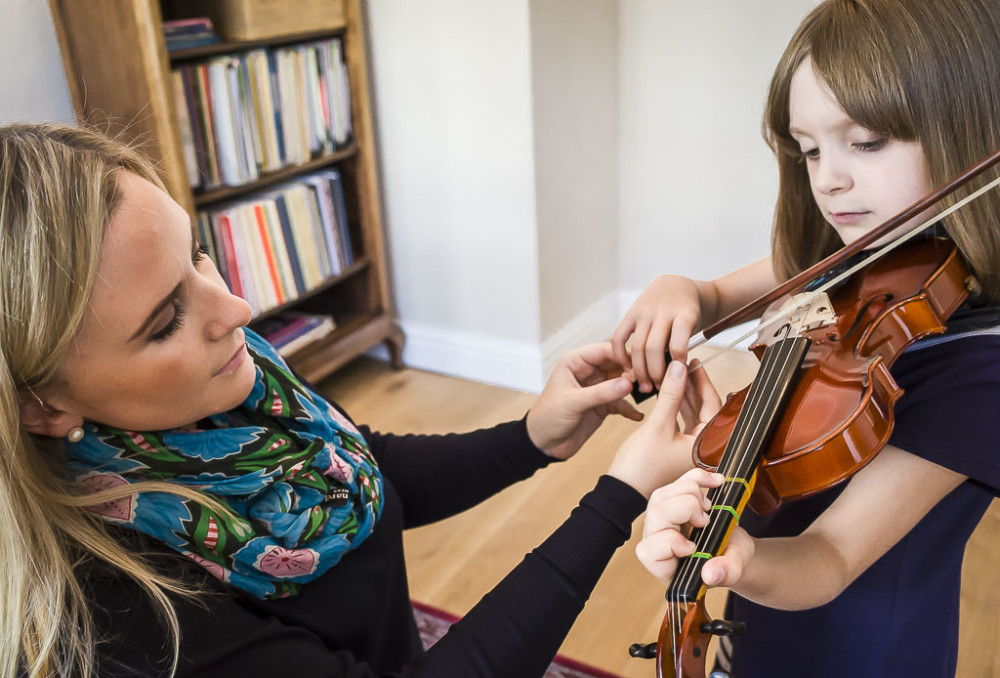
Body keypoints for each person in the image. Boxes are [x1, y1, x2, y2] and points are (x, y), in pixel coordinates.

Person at [0, 122, 720, 677]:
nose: (238, 310)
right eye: (164, 323)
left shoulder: (231, 387)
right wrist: (617, 497)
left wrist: (532, 436)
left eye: (196, 254)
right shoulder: (118, 617)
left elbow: (361, 469)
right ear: (43, 408)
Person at [613, 0, 1000, 676]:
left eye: (867, 141)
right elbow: (722, 294)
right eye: (809, 149)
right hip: (762, 600)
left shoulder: (981, 374)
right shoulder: (865, 258)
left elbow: (831, 557)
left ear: (971, 127)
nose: (828, 179)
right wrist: (685, 289)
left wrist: (741, 562)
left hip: (860, 649)